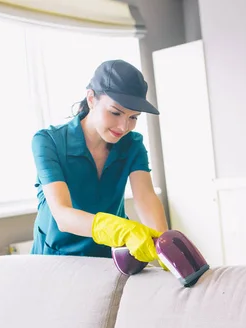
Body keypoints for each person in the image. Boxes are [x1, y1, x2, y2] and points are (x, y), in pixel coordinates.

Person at [30, 59, 168, 265]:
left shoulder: (132, 145)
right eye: (115, 112)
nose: (124, 126)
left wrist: (164, 246)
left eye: (134, 117)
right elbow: (62, 215)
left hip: (110, 260)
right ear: (91, 98)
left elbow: (146, 196)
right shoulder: (48, 142)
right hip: (55, 260)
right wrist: (121, 229)